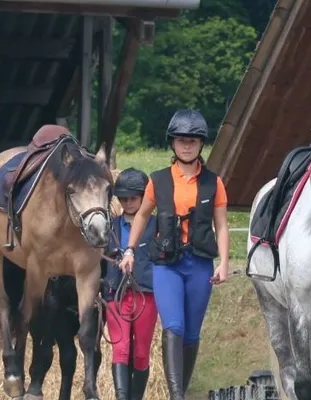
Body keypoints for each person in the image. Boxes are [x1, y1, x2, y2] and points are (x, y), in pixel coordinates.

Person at [117, 108, 232, 400]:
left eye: (193, 140)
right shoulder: (158, 180)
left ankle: (180, 390)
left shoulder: (214, 183)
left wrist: (224, 263)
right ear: (172, 143)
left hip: (200, 265)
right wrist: (129, 249)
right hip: (166, 265)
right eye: (181, 139)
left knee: (191, 334)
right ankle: (177, 396)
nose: (187, 144)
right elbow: (142, 216)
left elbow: (221, 225)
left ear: (200, 144)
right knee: (174, 326)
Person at [101, 168, 156, 400]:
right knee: (121, 348)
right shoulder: (109, 226)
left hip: (147, 292)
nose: (128, 202)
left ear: (144, 197)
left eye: (133, 198)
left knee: (141, 352)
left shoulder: (157, 225)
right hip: (116, 291)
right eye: (123, 198)